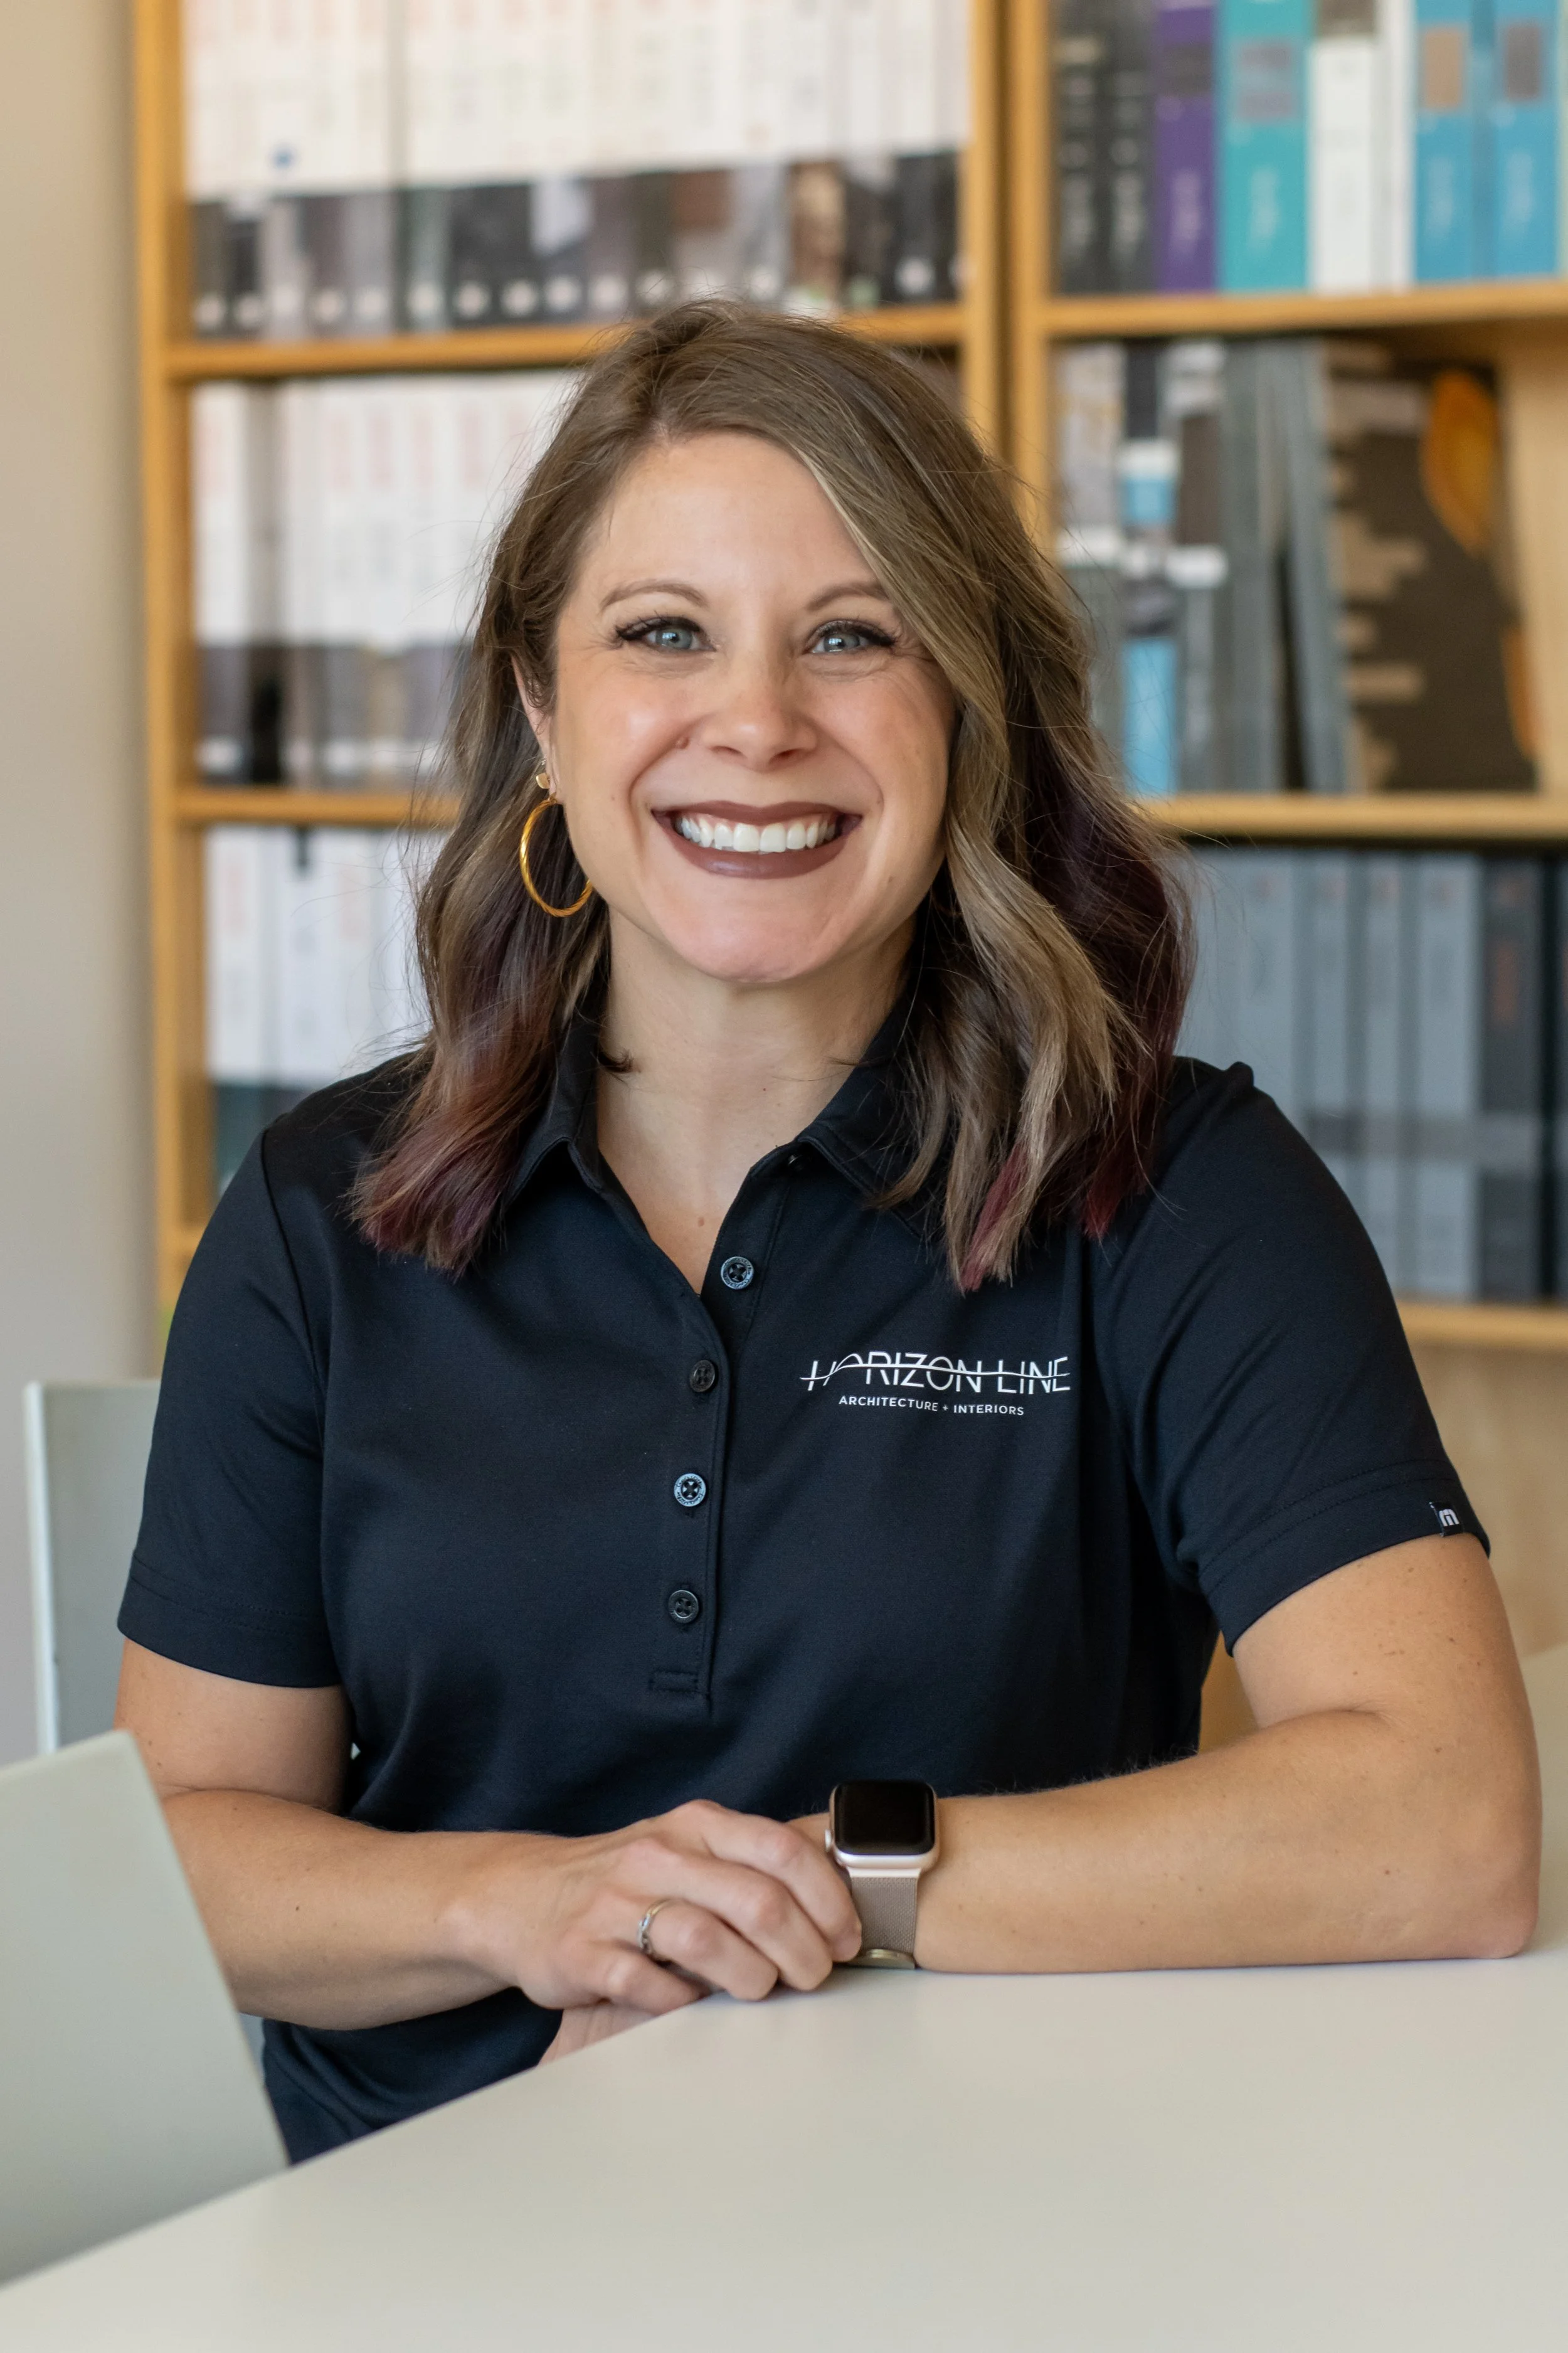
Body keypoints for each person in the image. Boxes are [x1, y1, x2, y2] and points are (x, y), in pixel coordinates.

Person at [117, 305, 1539, 2164]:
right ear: (544, 714)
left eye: (851, 635)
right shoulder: (325, 1208)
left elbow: (1445, 1823)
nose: (759, 724)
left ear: (963, 703)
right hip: (423, 2228)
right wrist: (528, 1904)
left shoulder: (1170, 1186)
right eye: (662, 634)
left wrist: (822, 1886)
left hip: (984, 2201)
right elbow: (179, 1853)